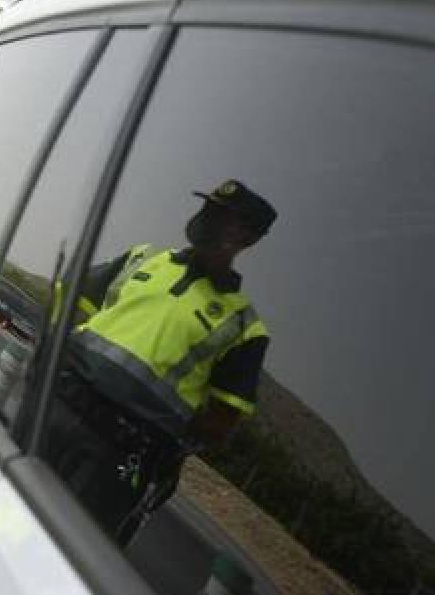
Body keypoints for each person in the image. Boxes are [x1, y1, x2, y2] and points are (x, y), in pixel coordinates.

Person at [48, 179, 277, 546]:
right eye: (208, 209)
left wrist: (164, 444)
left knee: (69, 551)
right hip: (56, 403)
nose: (208, 219)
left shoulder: (244, 326)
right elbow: (71, 295)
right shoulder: (144, 258)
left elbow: (221, 420)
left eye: (223, 217)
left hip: (120, 451)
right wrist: (56, 358)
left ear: (247, 238)